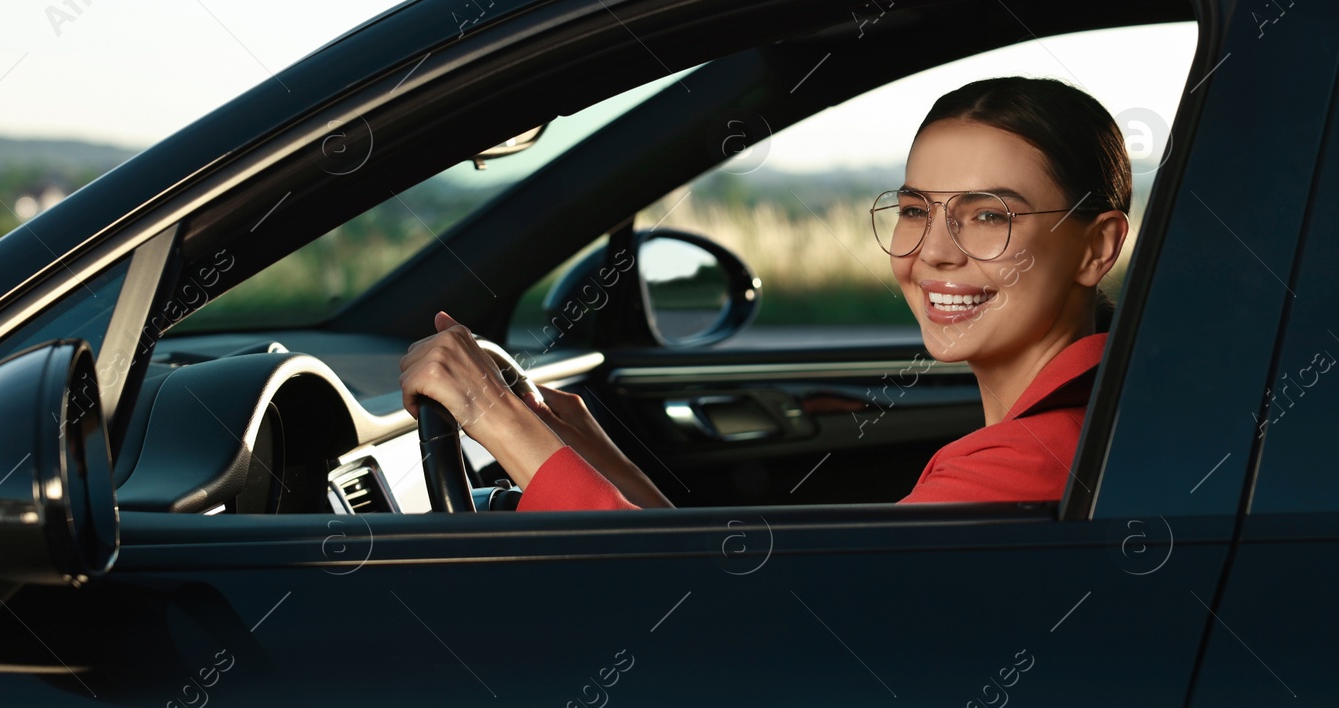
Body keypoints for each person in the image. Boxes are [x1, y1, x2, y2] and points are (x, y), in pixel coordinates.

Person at [398, 76, 1131, 509]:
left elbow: (743, 640)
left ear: (1097, 246)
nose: (932, 251)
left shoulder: (1023, 465)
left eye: (986, 216)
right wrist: (601, 464)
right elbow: (768, 600)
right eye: (914, 210)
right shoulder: (1081, 427)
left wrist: (498, 418)